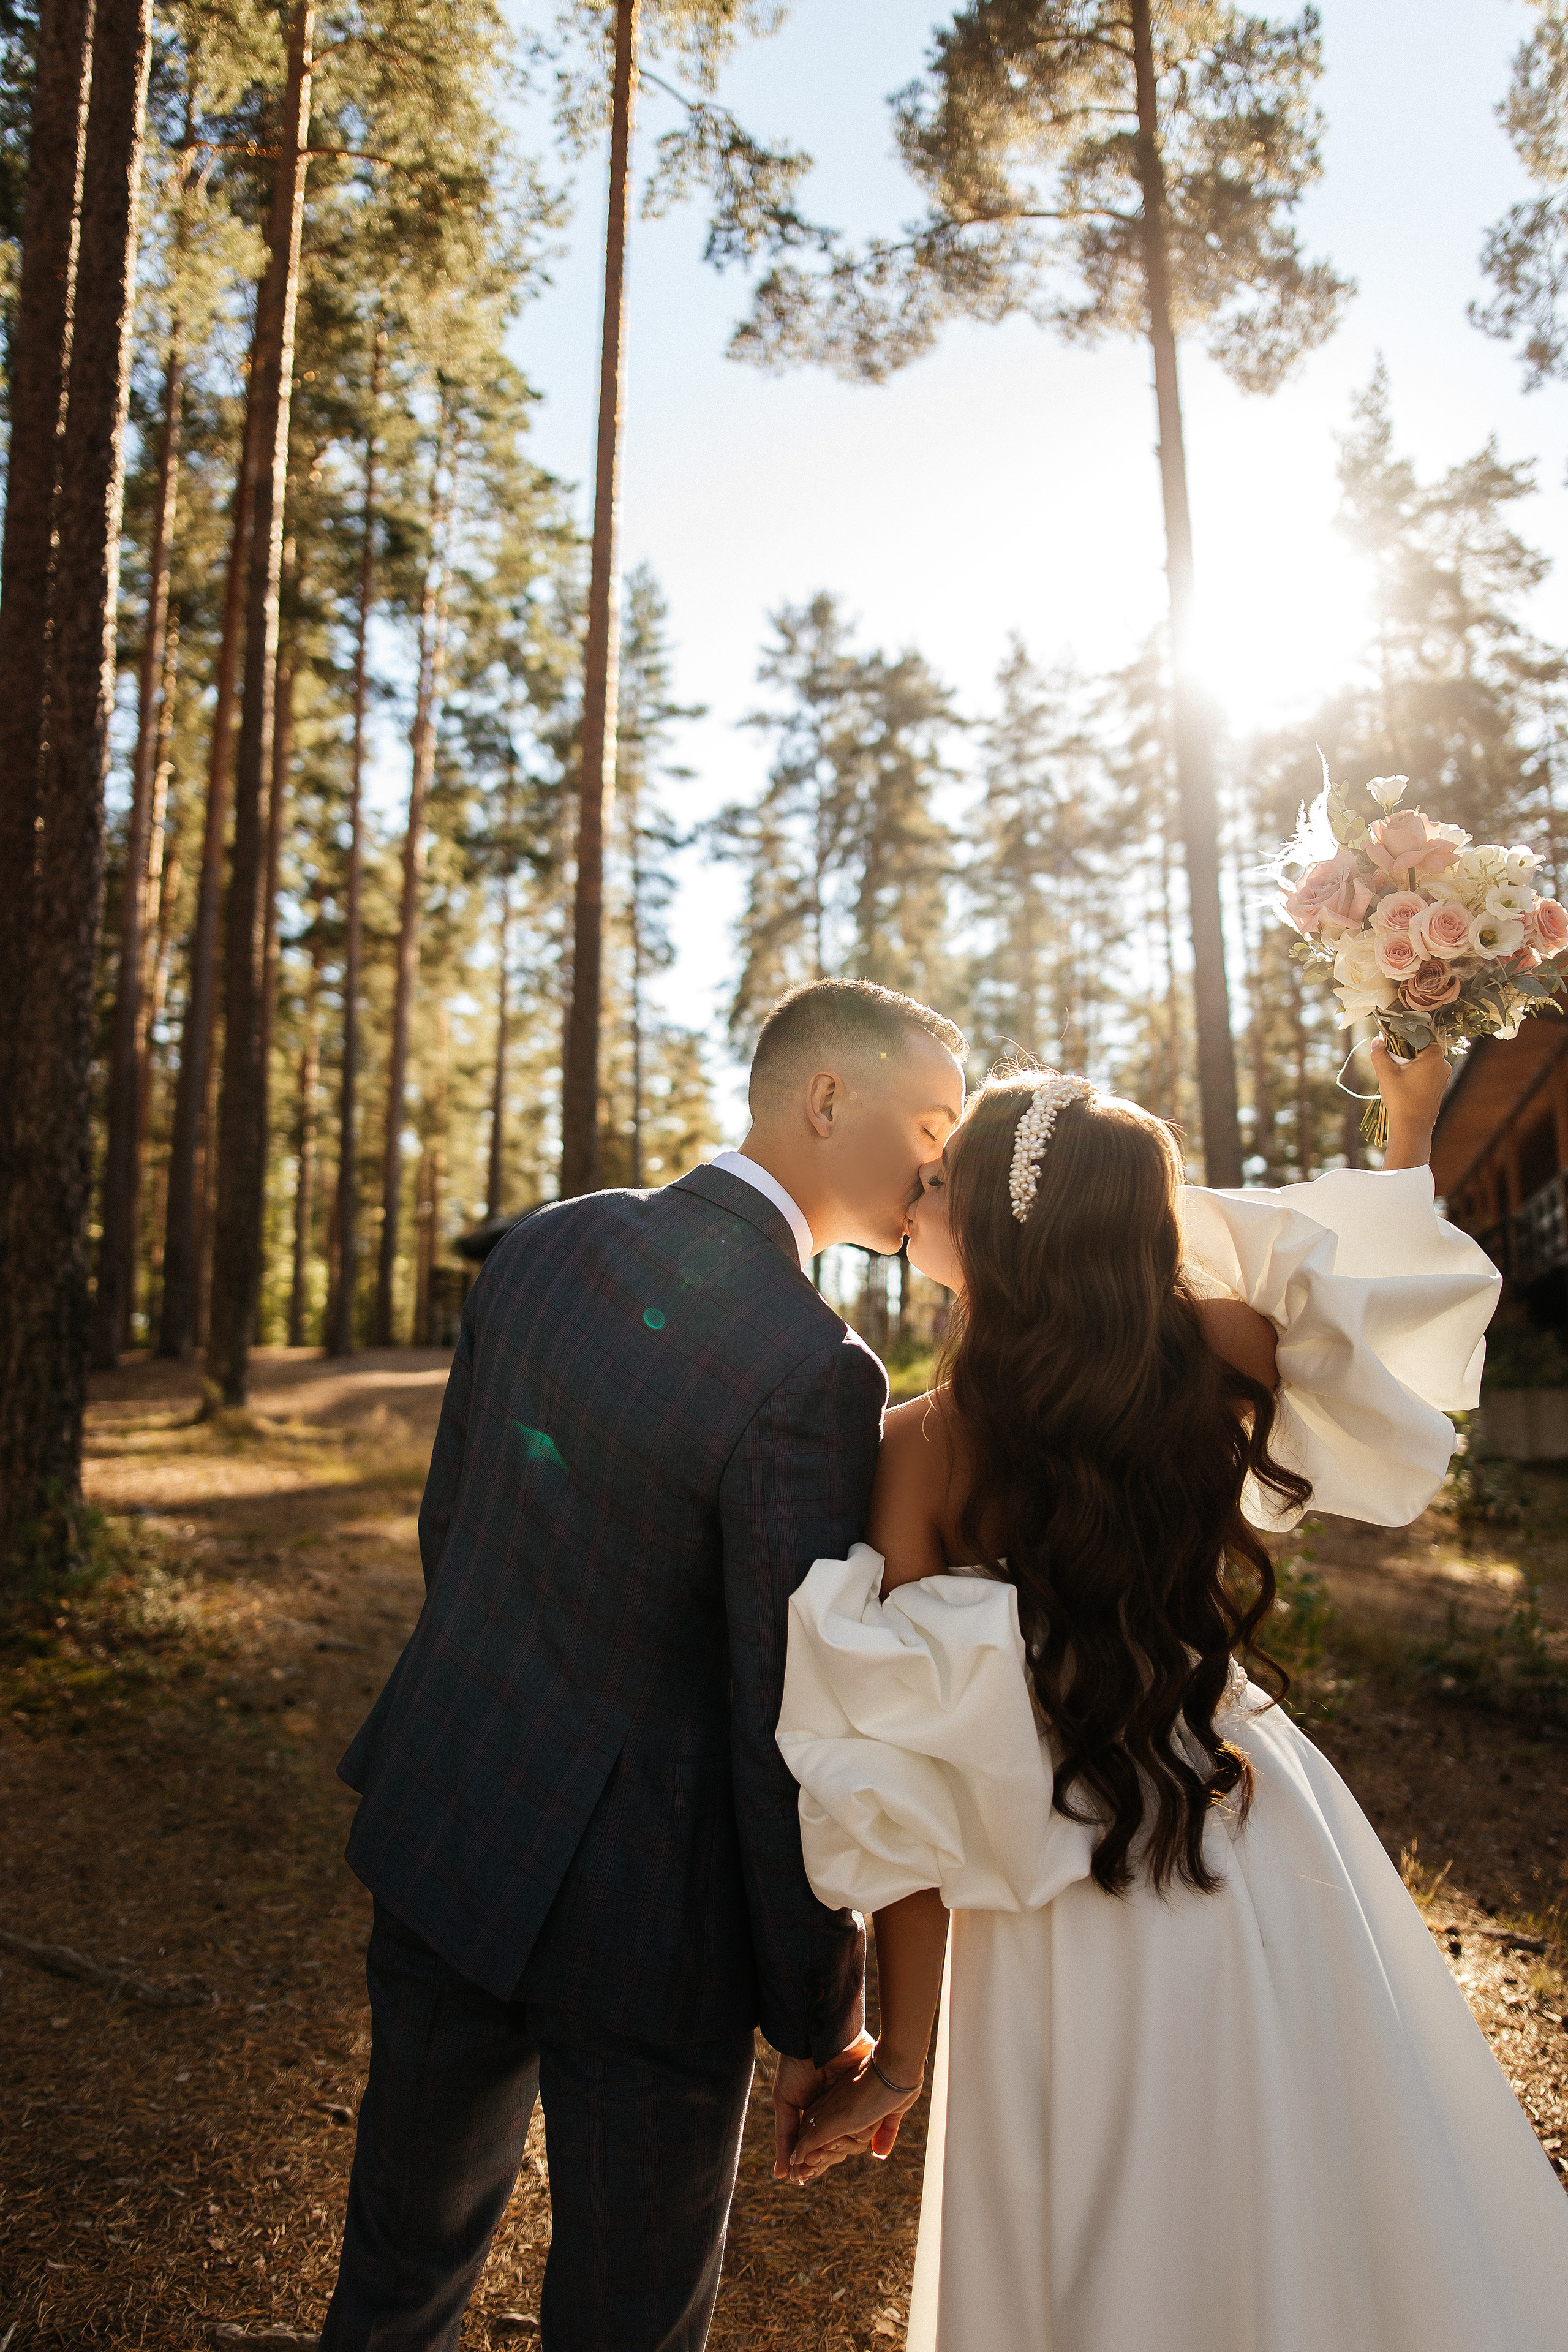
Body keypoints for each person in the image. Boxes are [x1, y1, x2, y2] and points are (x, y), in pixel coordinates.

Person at [777, 1045, 1568, 2352]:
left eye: (940, 1178)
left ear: (998, 1226)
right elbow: (1356, 1297)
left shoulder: (917, 1450)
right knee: (1305, 2179)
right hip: (1241, 1819)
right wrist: (1408, 1116)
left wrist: (902, 2057)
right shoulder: (1217, 1351)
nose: (914, 1195)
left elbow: (909, 1783)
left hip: (1045, 1893)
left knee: (1095, 2233)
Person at [318, 977, 968, 2352]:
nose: (939, 1162)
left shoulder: (545, 1245)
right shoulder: (812, 1368)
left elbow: (455, 1532)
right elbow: (777, 1709)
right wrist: (815, 2007)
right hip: (652, 1932)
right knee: (627, 2325)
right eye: (927, 1120)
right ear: (825, 1098)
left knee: (394, 2272)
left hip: (453, 1822)